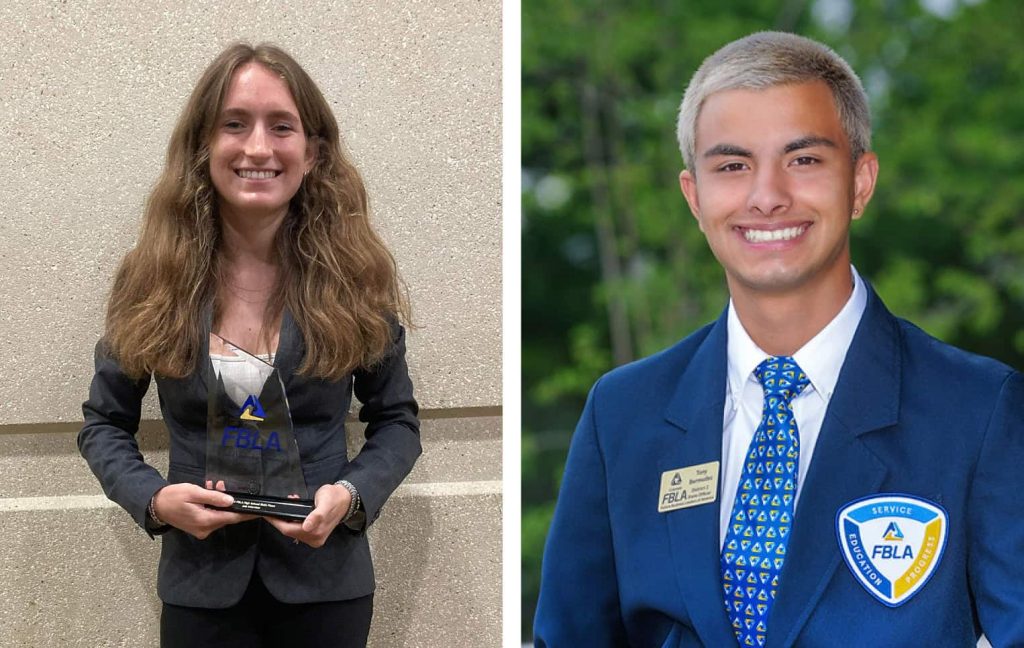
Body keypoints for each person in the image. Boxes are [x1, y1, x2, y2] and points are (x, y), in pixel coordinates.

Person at [534, 31, 1024, 647]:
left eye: (804, 160)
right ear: (694, 195)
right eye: (733, 166)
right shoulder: (622, 412)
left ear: (861, 183)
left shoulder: (981, 411)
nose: (767, 197)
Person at [78, 43, 420, 648]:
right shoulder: (150, 275)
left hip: (327, 587)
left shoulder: (355, 274)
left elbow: (396, 421)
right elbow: (103, 424)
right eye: (234, 124)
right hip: (200, 587)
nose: (258, 147)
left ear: (313, 151)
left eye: (281, 126)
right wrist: (155, 500)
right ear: (203, 145)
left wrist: (350, 495)